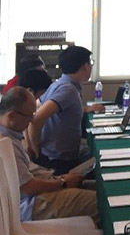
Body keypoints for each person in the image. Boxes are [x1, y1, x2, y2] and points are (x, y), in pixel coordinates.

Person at [0, 87, 98, 225]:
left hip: (38, 189)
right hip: (32, 204)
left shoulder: (11, 135)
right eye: (29, 116)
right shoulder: (5, 143)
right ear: (11, 116)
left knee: (96, 188)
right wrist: (63, 183)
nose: (32, 120)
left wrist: (60, 179)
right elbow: (28, 187)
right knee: (100, 203)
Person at [30, 46, 103, 174]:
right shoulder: (68, 90)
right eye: (90, 63)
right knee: (102, 161)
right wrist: (35, 148)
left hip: (56, 154)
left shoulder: (58, 84)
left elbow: (37, 106)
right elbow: (37, 118)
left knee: (92, 151)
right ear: (85, 66)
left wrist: (86, 109)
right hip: (60, 161)